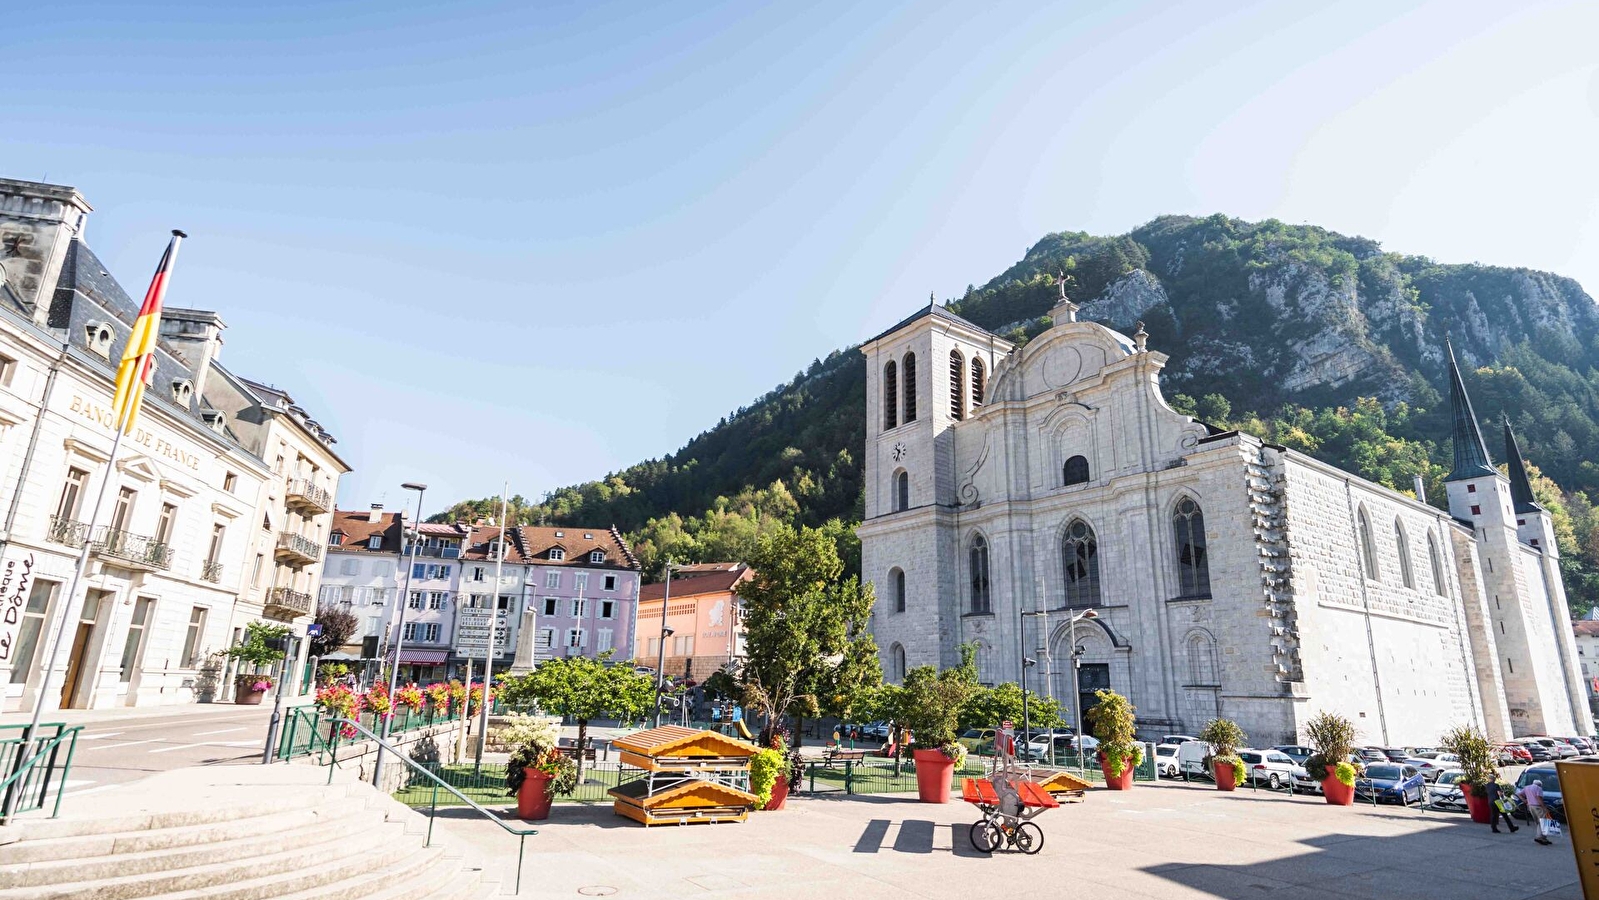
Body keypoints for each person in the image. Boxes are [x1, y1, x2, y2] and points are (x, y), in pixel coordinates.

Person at [1516, 777, 1553, 845]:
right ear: (1539, 785)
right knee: (1543, 821)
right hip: (1538, 807)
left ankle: (1543, 838)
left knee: (1538, 822)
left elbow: (1518, 794)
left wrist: (1524, 800)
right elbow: (1539, 798)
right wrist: (1544, 807)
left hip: (1530, 806)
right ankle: (1540, 837)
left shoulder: (1527, 787)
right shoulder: (1538, 788)